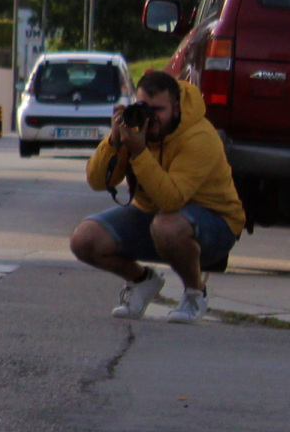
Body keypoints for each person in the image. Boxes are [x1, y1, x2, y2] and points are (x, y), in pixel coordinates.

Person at [70, 69, 244, 323]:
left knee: (168, 226)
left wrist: (139, 152)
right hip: (155, 217)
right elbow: (98, 181)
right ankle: (142, 281)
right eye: (144, 107)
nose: (150, 117)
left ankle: (195, 292)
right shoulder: (137, 127)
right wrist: (115, 142)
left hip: (215, 223)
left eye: (158, 110)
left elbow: (171, 200)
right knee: (84, 239)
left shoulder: (199, 137)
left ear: (175, 108)